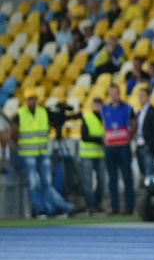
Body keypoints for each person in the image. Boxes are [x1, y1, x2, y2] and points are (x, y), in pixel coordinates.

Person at [13, 88, 74, 218]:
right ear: (25, 100)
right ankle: (40, 210)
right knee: (34, 183)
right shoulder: (20, 114)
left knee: (47, 183)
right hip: (28, 152)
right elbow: (14, 132)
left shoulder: (42, 112)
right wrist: (19, 145)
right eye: (29, 99)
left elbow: (48, 127)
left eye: (34, 98)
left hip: (42, 151)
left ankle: (55, 208)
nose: (32, 101)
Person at [101, 84, 135, 216]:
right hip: (110, 147)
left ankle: (129, 206)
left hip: (123, 146)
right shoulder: (104, 109)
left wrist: (129, 135)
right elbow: (104, 125)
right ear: (109, 94)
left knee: (127, 176)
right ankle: (114, 206)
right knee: (112, 178)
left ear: (119, 93)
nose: (114, 95)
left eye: (116, 92)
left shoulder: (127, 108)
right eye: (111, 93)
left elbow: (134, 123)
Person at [78, 97, 107, 215]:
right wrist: (98, 140)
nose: (98, 106)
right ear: (92, 105)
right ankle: (91, 205)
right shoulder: (87, 118)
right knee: (87, 182)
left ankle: (97, 204)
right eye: (96, 104)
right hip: (87, 154)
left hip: (100, 154)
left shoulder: (106, 118)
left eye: (99, 104)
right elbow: (84, 136)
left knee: (102, 181)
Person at [133, 85, 154, 178]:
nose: (141, 98)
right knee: (143, 171)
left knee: (150, 172)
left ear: (148, 97)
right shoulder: (139, 112)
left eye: (143, 95)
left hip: (147, 146)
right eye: (139, 96)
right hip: (140, 145)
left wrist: (149, 144)